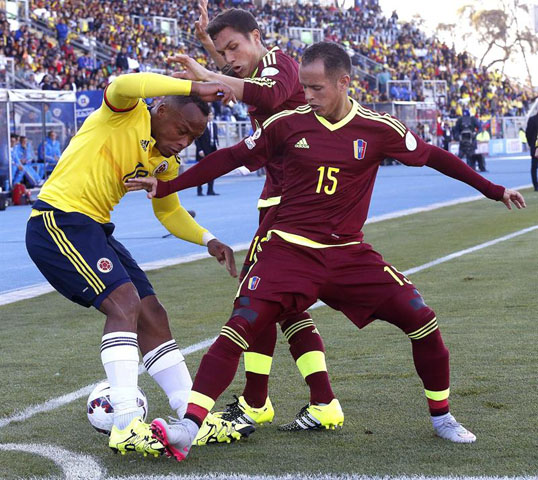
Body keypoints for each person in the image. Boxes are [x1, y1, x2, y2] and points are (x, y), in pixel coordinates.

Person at [127, 42, 526, 462]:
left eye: (316, 88)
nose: (308, 96)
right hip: (288, 252)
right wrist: (168, 185)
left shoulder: (379, 128)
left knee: (422, 319)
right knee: (238, 327)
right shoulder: (287, 123)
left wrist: (494, 190)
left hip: (348, 255)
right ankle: (189, 426)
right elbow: (231, 156)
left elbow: (435, 157)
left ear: (343, 83)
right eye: (304, 87)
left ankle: (442, 417)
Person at [25, 71, 253, 458]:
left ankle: (191, 416)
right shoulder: (124, 113)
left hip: (94, 228)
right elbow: (125, 83)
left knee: (152, 312)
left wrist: (208, 239)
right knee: (125, 304)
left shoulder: (164, 162)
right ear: (160, 108)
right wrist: (195, 87)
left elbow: (169, 211)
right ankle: (127, 423)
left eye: (193, 138)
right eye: (181, 130)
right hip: (57, 221)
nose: (183, 142)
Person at [167, 5, 342, 431]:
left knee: (256, 301)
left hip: (291, 204)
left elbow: (261, 94)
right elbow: (242, 81)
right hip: (284, 199)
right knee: (281, 305)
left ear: (257, 37)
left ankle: (260, 402)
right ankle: (314, 401)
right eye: (223, 51)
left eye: (234, 47)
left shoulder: (279, 63)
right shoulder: (256, 66)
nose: (229, 57)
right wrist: (211, 51)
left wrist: (206, 74)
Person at [194, 111, 219, 196]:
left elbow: (215, 137)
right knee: (201, 172)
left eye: (211, 115)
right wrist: (199, 150)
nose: (210, 117)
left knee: (212, 171)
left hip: (212, 150)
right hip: (203, 152)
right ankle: (199, 190)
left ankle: (210, 190)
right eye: (208, 115)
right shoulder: (201, 125)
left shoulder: (215, 125)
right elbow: (196, 139)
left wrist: (217, 146)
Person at [525, 112, 538, 191]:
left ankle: (536, 186)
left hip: (534, 147)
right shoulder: (532, 119)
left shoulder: (532, 119)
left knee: (534, 168)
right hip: (535, 147)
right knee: (534, 167)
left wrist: (531, 144)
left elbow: (528, 134)